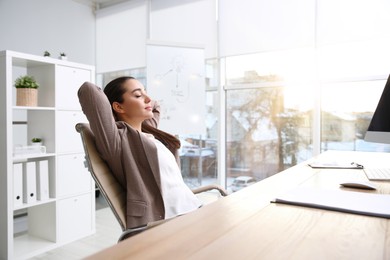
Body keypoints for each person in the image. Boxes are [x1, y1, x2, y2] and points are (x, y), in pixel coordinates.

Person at [78, 77, 202, 229]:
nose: (148, 99)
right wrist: (113, 112)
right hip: (167, 220)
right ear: (118, 107)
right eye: (137, 95)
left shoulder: (148, 134)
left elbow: (155, 106)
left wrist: (140, 94)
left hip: (193, 210)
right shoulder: (117, 142)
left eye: (146, 93)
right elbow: (89, 91)